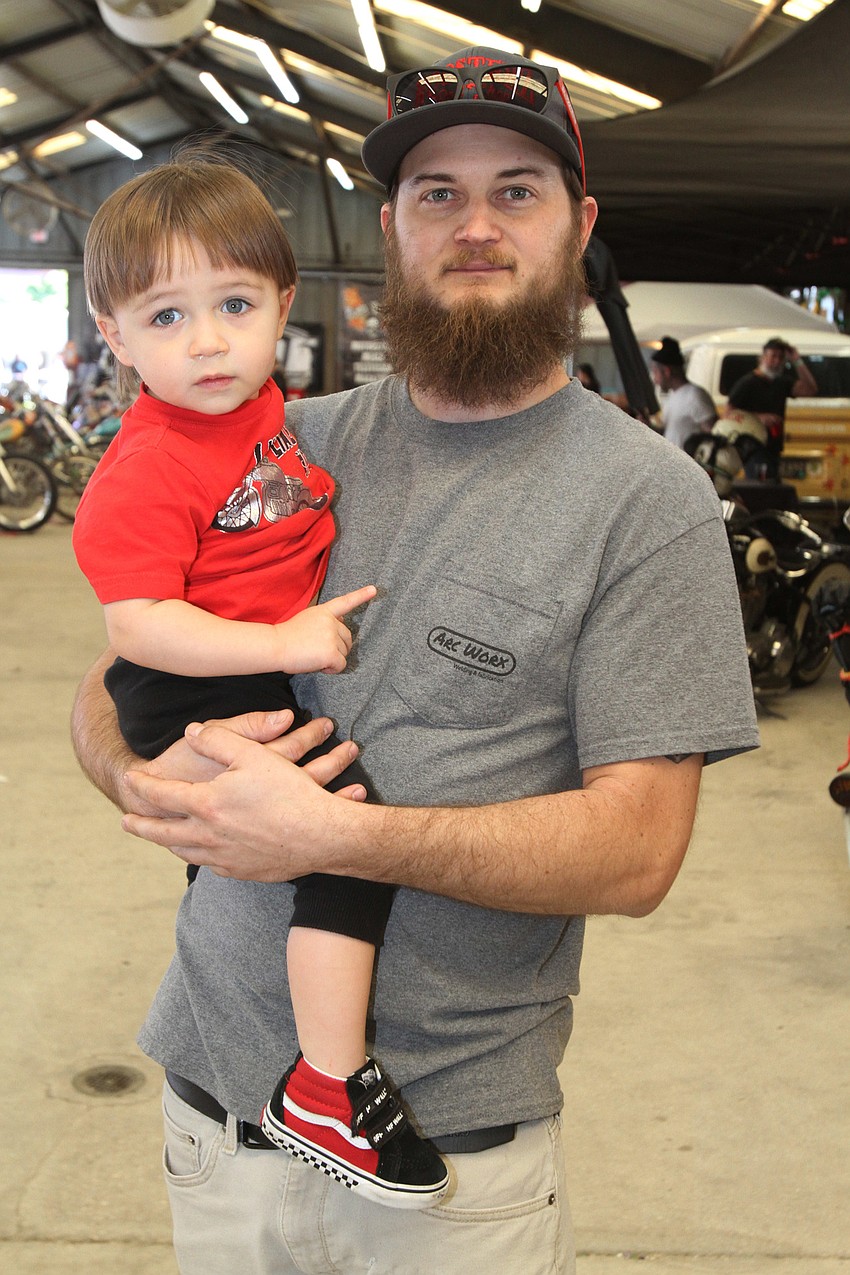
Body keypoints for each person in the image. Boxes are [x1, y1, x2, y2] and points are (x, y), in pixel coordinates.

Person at [71, 47, 759, 1275]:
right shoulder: (280, 443)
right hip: (214, 1119)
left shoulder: (646, 503)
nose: (474, 225)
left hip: (448, 1160)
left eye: (516, 191)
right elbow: (112, 677)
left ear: (579, 226)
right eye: (437, 193)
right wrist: (141, 775)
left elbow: (638, 853)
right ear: (390, 225)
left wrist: (339, 838)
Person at [71, 155, 449, 1209]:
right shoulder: (149, 465)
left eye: (233, 305)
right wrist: (281, 640)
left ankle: (310, 1061)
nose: (206, 342)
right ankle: (327, 1083)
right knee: (346, 844)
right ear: (113, 334)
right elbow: (136, 624)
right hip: (188, 686)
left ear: (284, 304)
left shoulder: (263, 412)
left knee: (279, 850)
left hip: (238, 675)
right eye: (166, 316)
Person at [724, 335, 817, 480]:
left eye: (781, 358)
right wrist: (758, 418)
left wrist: (797, 360)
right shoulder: (748, 383)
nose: (777, 361)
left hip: (774, 447)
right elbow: (728, 414)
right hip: (754, 448)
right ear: (763, 357)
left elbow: (810, 389)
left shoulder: (782, 382)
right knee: (761, 487)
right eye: (773, 356)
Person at [649, 335, 717, 449]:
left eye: (655, 372)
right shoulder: (672, 396)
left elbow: (712, 436)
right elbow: (670, 433)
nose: (654, 380)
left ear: (666, 371)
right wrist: (647, 427)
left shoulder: (695, 396)